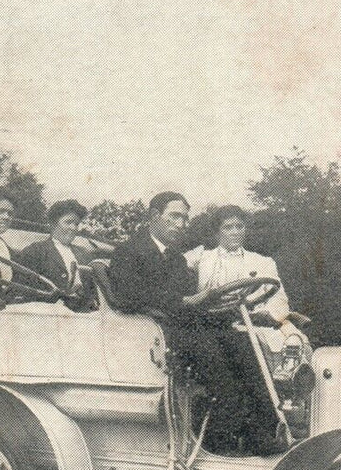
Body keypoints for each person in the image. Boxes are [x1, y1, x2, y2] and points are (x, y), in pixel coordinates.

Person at [107, 192, 281, 456]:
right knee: (211, 353)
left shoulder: (176, 259)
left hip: (180, 326)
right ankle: (222, 439)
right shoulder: (129, 251)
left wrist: (228, 307)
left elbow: (193, 303)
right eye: (174, 216)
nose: (181, 224)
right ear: (155, 216)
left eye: (185, 218)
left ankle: (266, 430)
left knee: (245, 343)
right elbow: (129, 297)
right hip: (150, 331)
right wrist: (189, 300)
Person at [192, 207, 308, 356]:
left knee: (296, 341)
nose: (235, 232)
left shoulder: (263, 262)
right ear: (217, 231)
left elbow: (279, 298)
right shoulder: (202, 258)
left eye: (239, 226)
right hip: (215, 324)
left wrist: (269, 315)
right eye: (228, 227)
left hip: (257, 322)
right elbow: (174, 263)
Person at [20, 199, 94, 310]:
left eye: (76, 224)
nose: (73, 228)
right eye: (68, 222)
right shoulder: (36, 251)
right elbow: (26, 290)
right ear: (54, 224)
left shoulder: (84, 253)